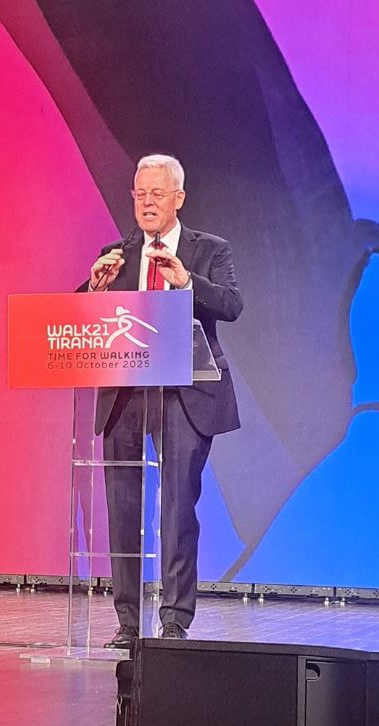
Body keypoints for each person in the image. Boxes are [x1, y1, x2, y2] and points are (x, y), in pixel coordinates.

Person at [86, 155, 243, 648]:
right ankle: (128, 623)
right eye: (140, 194)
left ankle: (175, 619)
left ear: (179, 198)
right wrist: (94, 288)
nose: (147, 203)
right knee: (123, 509)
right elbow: (84, 320)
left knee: (177, 509)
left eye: (157, 194)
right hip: (126, 394)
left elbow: (232, 304)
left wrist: (186, 282)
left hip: (186, 393)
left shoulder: (209, 250)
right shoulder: (117, 254)